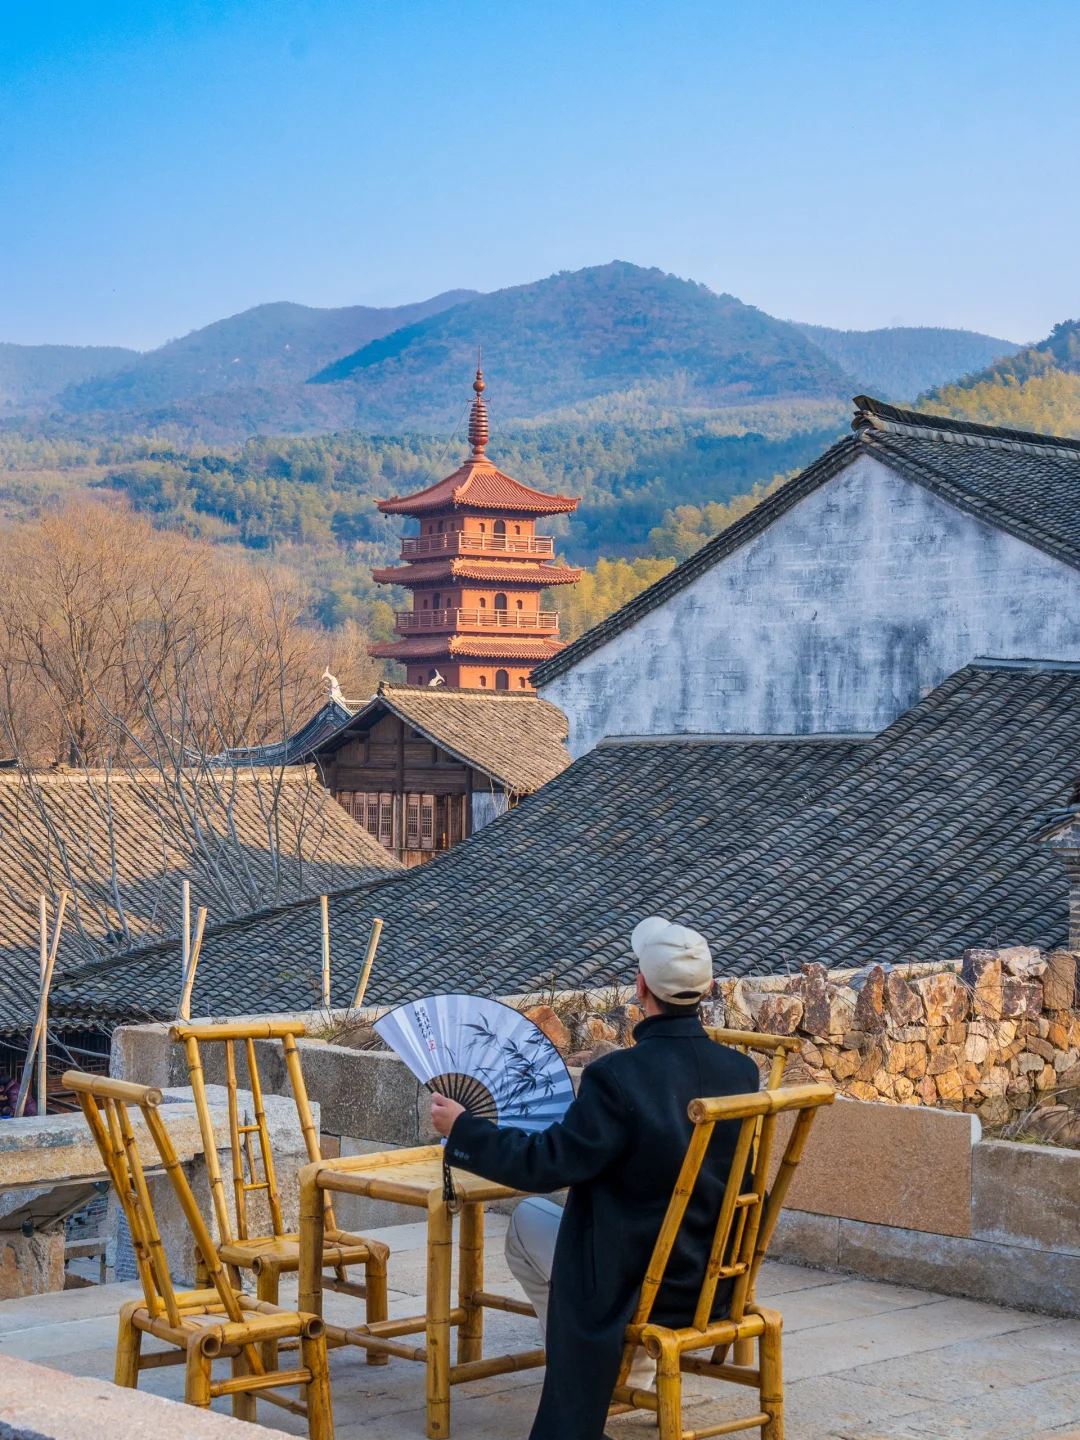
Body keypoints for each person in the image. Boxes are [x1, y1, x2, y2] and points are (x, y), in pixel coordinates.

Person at [430, 916, 761, 1440]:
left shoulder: (619, 1076)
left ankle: (594, 1370)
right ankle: (621, 1363)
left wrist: (464, 1129)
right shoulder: (740, 1072)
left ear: (641, 987)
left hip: (634, 1285)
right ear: (709, 990)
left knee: (524, 1226)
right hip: (712, 1279)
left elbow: (546, 1165)